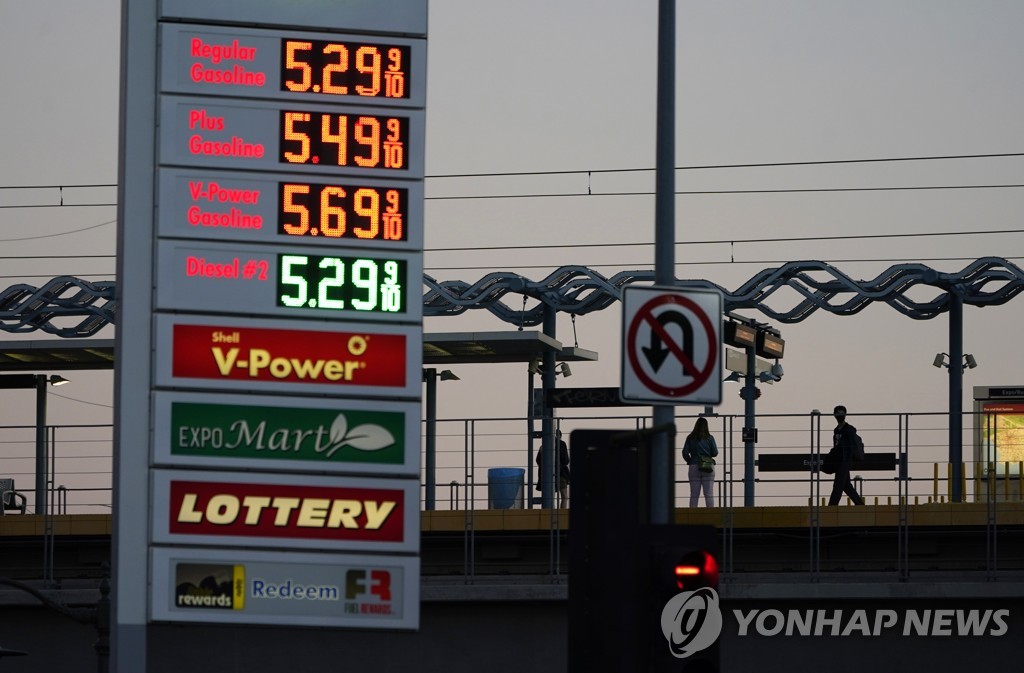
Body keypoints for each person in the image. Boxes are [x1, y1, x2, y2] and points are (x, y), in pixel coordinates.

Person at [828, 405, 865, 506]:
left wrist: (846, 460)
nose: (840, 415)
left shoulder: (849, 430)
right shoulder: (836, 430)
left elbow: (851, 447)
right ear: (834, 415)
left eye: (842, 413)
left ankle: (830, 509)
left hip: (845, 461)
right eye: (838, 413)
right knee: (847, 486)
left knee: (838, 486)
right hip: (839, 461)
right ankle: (861, 506)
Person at [682, 417, 718, 507]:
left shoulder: (690, 438)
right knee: (709, 494)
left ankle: (692, 515)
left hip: (694, 465)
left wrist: (690, 460)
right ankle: (711, 514)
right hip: (708, 465)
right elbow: (715, 453)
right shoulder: (710, 438)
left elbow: (685, 453)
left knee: (694, 494)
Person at [536, 434, 570, 508]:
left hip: (546, 475)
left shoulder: (543, 445)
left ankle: (551, 512)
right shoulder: (562, 444)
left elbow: (538, 461)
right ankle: (562, 513)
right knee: (564, 496)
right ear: (560, 436)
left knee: (550, 497)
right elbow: (566, 461)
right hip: (560, 473)